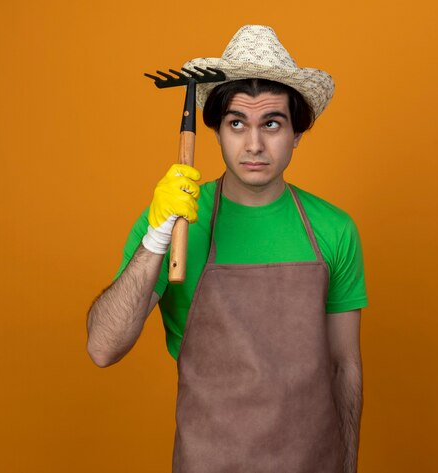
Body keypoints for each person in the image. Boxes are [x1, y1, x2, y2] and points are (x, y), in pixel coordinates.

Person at [87, 25, 368, 473]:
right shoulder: (176, 225)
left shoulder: (334, 230)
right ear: (216, 130)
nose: (254, 144)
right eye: (237, 123)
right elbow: (103, 347)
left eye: (271, 124)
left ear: (297, 134)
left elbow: (344, 367)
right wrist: (156, 235)